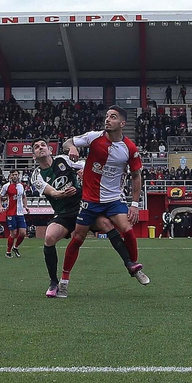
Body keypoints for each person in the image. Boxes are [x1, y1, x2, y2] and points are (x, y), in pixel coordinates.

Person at [58, 106, 150, 294]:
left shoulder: (129, 148)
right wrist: (73, 147)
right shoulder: (93, 137)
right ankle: (64, 279)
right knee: (78, 238)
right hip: (90, 200)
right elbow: (67, 142)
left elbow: (136, 176)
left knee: (128, 229)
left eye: (113, 117)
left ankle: (133, 266)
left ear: (122, 123)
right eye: (107, 116)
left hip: (113, 199)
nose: (107, 120)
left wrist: (134, 204)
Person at [28, 140, 134, 298]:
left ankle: (129, 263)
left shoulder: (63, 159)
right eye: (36, 147)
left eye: (43, 145)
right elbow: (52, 192)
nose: (40, 148)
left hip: (84, 207)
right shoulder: (36, 175)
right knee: (49, 237)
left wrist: (85, 174)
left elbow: (89, 166)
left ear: (49, 149)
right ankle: (53, 282)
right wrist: (61, 193)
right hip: (64, 213)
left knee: (106, 224)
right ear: (34, 155)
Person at [0, 171, 29, 258]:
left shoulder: (21, 186)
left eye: (16, 174)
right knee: (14, 233)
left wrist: (26, 206)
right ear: (10, 176)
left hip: (20, 213)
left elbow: (24, 196)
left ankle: (16, 247)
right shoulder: (6, 186)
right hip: (10, 213)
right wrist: (0, 206)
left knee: (23, 233)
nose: (15, 176)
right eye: (13, 175)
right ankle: (8, 251)